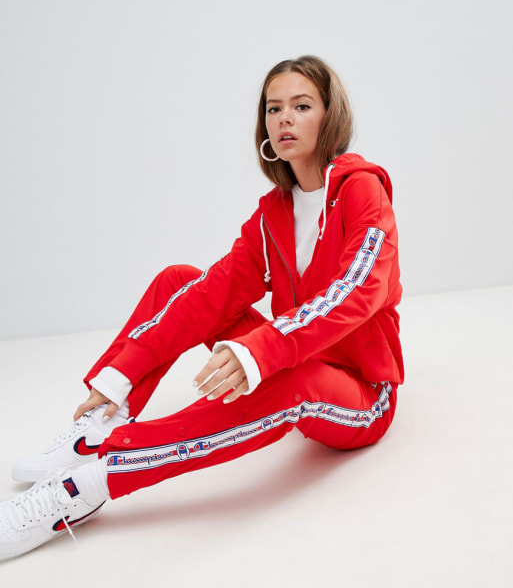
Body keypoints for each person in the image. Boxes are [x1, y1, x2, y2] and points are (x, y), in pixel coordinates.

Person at [0, 55, 404, 560]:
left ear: (330, 115)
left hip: (362, 395)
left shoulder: (362, 190)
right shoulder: (274, 212)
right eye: (274, 108)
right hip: (298, 352)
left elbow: (358, 291)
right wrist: (120, 374)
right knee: (181, 282)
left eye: (302, 106)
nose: (285, 118)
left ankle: (90, 484)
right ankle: (102, 422)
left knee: (294, 377)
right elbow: (220, 289)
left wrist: (261, 351)